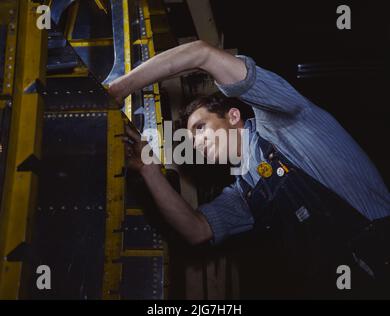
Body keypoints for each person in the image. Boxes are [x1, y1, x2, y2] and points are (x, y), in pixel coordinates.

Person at [108, 40, 390, 298]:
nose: (197, 143)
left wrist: (118, 90)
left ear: (233, 116)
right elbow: (195, 230)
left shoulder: (282, 122)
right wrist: (149, 171)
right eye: (192, 141)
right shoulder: (243, 193)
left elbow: (201, 53)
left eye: (201, 127)